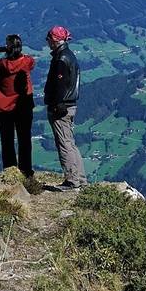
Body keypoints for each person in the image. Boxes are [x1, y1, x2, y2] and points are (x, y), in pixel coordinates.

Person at [0, 34, 35, 179]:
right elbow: (31, 61)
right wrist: (18, 50)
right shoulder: (27, 62)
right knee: (24, 139)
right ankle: (26, 171)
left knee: (7, 140)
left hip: (4, 108)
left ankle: (10, 171)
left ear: (7, 48)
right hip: (24, 106)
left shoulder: (1, 64)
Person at [43, 25, 86, 190]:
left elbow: (60, 84)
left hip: (62, 106)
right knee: (70, 142)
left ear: (54, 40)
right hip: (70, 104)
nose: (47, 43)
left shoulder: (61, 59)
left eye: (48, 39)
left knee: (64, 144)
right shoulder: (70, 55)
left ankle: (72, 181)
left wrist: (57, 104)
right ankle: (80, 179)